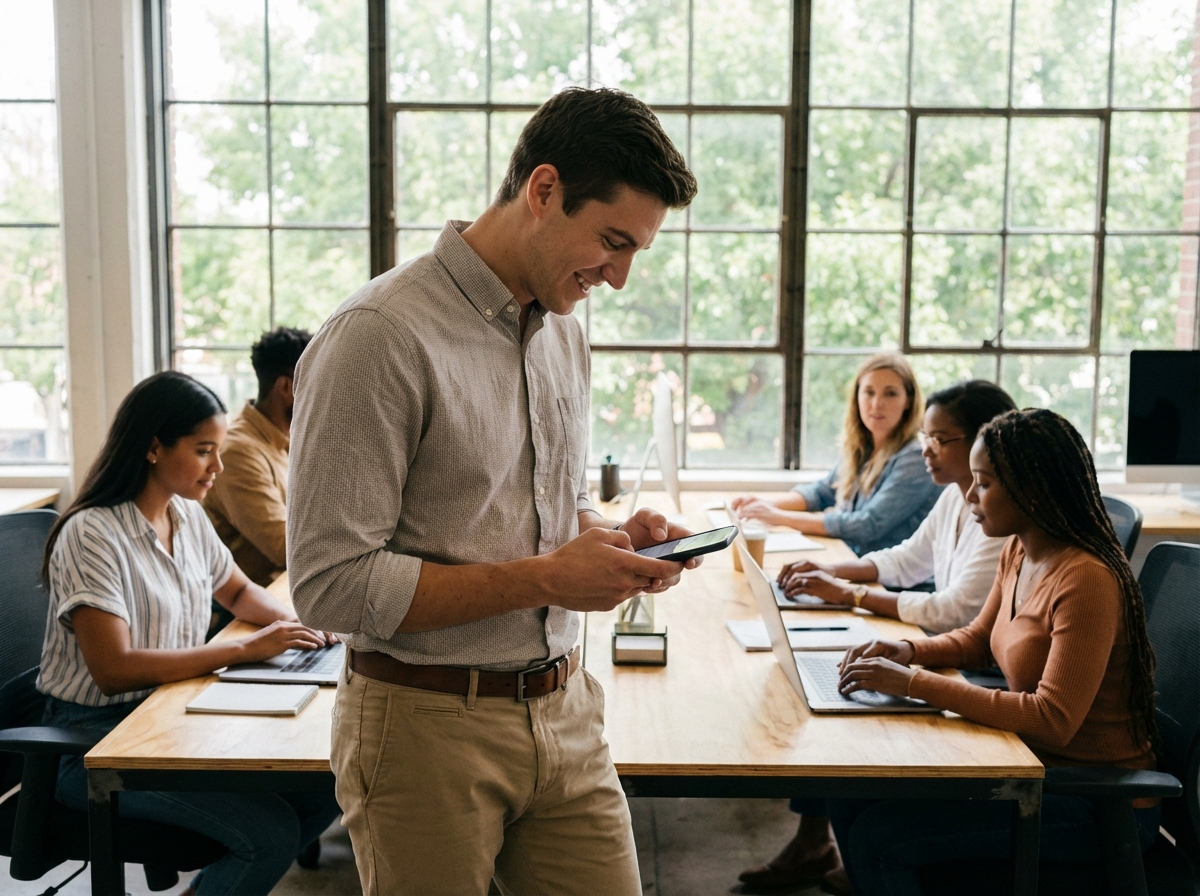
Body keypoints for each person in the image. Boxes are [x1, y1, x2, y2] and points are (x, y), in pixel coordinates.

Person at [287, 87, 699, 896]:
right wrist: (548, 579)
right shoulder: (379, 336)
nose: (616, 278)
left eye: (634, 255)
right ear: (542, 191)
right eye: (611, 243)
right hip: (423, 728)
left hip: (565, 710)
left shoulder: (562, 332)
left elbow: (528, 511)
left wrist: (608, 538)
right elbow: (329, 585)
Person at [826, 408, 1160, 895]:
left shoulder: (1086, 578)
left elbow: (1053, 718)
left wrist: (915, 684)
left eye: (982, 484)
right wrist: (907, 651)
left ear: (1032, 490)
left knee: (881, 837)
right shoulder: (1020, 549)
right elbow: (979, 642)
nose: (968, 495)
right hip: (1029, 764)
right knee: (850, 794)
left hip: (1093, 802)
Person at [37, 370, 342, 896]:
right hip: (96, 743)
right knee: (267, 832)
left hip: (172, 718)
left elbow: (239, 591)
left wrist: (293, 624)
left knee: (329, 787)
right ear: (154, 447)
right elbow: (114, 670)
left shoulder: (186, 515)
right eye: (204, 451)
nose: (217, 467)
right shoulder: (92, 535)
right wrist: (243, 649)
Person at [738, 380, 1017, 892]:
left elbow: (957, 610)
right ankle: (832, 847)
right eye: (926, 437)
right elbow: (907, 558)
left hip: (973, 669)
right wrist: (837, 575)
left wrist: (851, 596)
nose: (926, 449)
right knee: (834, 680)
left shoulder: (1003, 522)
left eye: (940, 439)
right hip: (944, 645)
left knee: (847, 714)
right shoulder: (958, 499)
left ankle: (852, 853)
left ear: (986, 442)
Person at [732, 352, 942, 556]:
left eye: (890, 393)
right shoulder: (863, 446)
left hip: (889, 583)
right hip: (851, 560)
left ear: (908, 401)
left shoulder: (916, 458)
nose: (877, 403)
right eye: (869, 392)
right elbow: (823, 492)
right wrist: (764, 505)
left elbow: (867, 525)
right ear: (857, 397)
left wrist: (778, 516)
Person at [203, 326, 312, 589]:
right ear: (286, 386)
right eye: (315, 384)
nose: (320, 396)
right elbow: (285, 548)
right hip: (242, 607)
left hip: (281, 590)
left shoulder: (287, 441)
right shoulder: (238, 452)